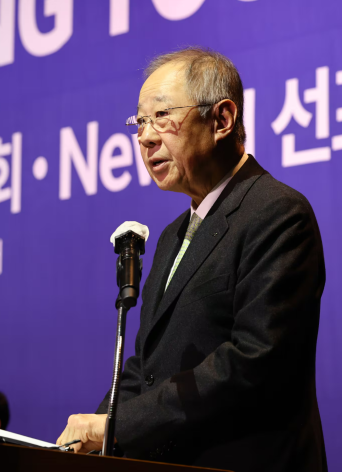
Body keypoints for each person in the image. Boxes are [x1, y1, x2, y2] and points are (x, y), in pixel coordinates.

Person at [57, 47, 327, 472]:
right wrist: (89, 437)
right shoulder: (170, 238)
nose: (145, 137)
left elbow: (254, 361)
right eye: (140, 122)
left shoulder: (277, 212)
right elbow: (143, 369)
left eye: (162, 116)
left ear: (221, 119)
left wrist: (116, 426)